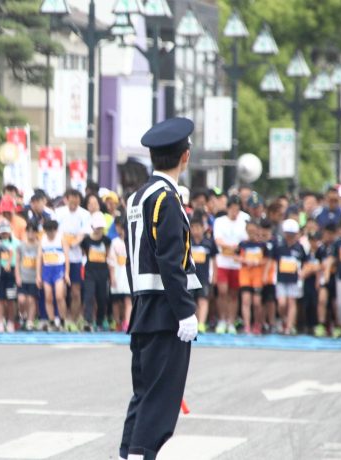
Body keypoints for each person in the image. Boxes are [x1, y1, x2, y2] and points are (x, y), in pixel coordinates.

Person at [120, 118, 199, 460]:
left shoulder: (138, 197)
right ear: (186, 156)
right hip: (165, 311)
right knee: (161, 398)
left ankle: (129, 454)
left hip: (143, 308)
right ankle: (139, 455)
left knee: (145, 395)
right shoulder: (166, 198)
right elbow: (170, 259)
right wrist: (185, 312)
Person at [55, 189, 90, 329]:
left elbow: (83, 234)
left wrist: (72, 243)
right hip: (60, 258)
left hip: (76, 258)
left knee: (76, 291)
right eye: (71, 200)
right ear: (66, 199)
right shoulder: (59, 213)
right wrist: (64, 245)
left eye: (76, 201)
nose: (73, 204)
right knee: (61, 291)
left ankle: (74, 320)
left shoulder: (85, 214)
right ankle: (63, 320)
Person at [212, 195, 247, 334]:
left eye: (237, 209)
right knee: (222, 291)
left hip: (237, 263)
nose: (235, 211)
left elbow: (246, 240)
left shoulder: (244, 220)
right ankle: (222, 319)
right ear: (228, 208)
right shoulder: (220, 221)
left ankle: (231, 321)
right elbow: (218, 240)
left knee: (233, 293)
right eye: (232, 208)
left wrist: (237, 249)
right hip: (223, 261)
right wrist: (231, 247)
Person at [268, 219, 307, 335]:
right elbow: (272, 260)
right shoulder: (278, 245)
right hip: (280, 278)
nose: (290, 237)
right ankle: (284, 319)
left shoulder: (299, 247)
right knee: (282, 303)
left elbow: (305, 262)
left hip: (294, 279)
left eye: (292, 234)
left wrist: (303, 272)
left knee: (292, 301)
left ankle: (289, 327)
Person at [80, 211, 114, 331]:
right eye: (97, 227)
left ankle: (99, 321)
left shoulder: (107, 240)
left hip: (103, 272)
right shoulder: (86, 240)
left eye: (101, 227)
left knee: (102, 298)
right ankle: (88, 321)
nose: (98, 229)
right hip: (90, 272)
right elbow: (84, 252)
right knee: (89, 296)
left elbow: (109, 255)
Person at [238, 220, 269, 334]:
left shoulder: (262, 245)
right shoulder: (242, 244)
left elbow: (267, 259)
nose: (251, 232)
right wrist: (244, 260)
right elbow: (236, 257)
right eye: (249, 230)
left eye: (253, 230)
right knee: (246, 301)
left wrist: (257, 262)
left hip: (257, 276)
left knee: (257, 302)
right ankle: (247, 326)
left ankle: (257, 323)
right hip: (245, 275)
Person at [37, 219, 69, 331]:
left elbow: (67, 257)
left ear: (56, 230)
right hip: (47, 269)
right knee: (48, 297)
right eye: (48, 231)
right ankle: (51, 321)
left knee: (59, 296)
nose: (50, 233)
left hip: (58, 269)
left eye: (52, 231)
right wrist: (38, 275)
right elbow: (39, 258)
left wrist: (67, 273)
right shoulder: (43, 240)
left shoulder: (61, 238)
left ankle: (63, 320)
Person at [189, 216, 216, 334]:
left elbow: (214, 260)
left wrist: (214, 275)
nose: (196, 231)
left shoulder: (209, 243)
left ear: (203, 228)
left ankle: (201, 324)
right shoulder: (187, 243)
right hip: (190, 277)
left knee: (203, 300)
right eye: (193, 228)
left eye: (198, 228)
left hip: (204, 277)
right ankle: (193, 322)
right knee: (191, 300)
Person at [16, 222, 41, 331]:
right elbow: (17, 262)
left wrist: (38, 277)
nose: (31, 233)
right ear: (26, 232)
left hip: (34, 277)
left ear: (36, 233)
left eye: (33, 231)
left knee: (31, 300)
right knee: (21, 300)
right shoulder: (21, 246)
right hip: (23, 276)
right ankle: (22, 316)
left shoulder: (39, 246)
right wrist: (17, 276)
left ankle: (30, 321)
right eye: (29, 231)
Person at [0, 220, 20, 333]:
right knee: (0, 299)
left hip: (12, 272)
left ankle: (11, 321)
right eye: (2, 232)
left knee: (11, 299)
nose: (4, 234)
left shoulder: (17, 243)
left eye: (6, 232)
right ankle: (0, 321)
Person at [109, 217, 132, 332]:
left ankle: (127, 323)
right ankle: (117, 322)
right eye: (117, 226)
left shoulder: (132, 241)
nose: (119, 229)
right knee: (116, 301)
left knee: (128, 299)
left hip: (128, 276)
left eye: (121, 226)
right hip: (118, 275)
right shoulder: (114, 242)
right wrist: (112, 277)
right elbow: (111, 262)